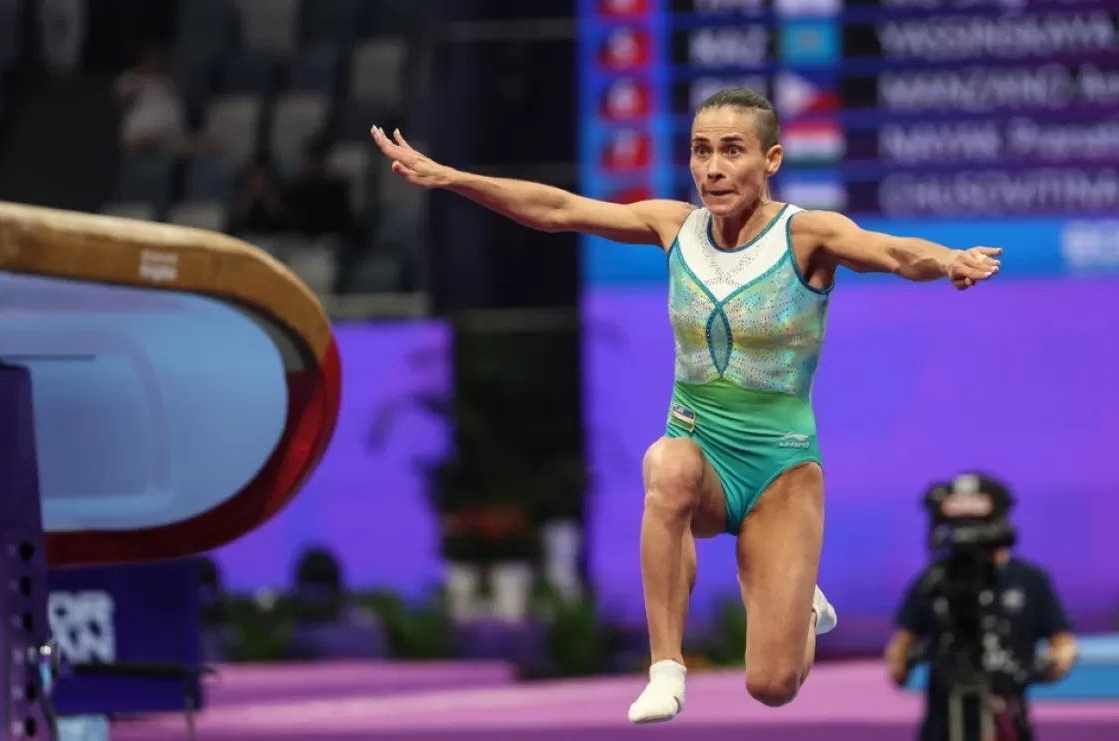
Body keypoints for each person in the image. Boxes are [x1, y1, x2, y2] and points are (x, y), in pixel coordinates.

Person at [370, 88, 1002, 723]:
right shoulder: (674, 225)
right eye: (701, 151)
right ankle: (666, 668)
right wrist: (452, 178)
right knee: (667, 465)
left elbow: (892, 252)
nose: (713, 168)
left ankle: (802, 606)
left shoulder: (807, 235)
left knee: (773, 685)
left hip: (780, 472)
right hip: (699, 458)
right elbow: (558, 209)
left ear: (771, 159)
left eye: (732, 151)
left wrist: (948, 259)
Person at [885, 475, 1078, 741]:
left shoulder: (1028, 580)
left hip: (1006, 721)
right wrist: (901, 662)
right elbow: (901, 645)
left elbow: (1063, 643)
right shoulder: (934, 580)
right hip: (943, 724)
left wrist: (1044, 667)